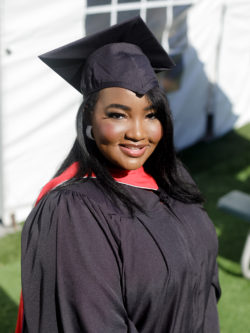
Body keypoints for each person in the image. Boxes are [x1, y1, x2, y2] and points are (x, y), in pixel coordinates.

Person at [16, 16, 221, 333]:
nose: (139, 133)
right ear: (89, 119)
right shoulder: (74, 212)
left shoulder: (172, 177)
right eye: (117, 115)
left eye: (151, 114)